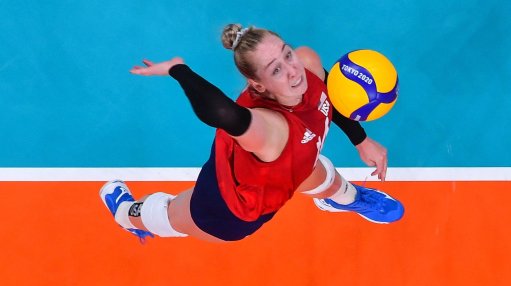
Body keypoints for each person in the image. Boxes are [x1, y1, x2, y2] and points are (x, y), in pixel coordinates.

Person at [100, 24, 404, 243]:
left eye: (287, 55)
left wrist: (361, 140)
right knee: (169, 216)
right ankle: (125, 214)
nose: (292, 70)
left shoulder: (307, 62)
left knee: (315, 169)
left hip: (294, 163)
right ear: (257, 85)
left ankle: (343, 198)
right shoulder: (270, 131)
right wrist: (178, 70)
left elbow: (331, 97)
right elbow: (220, 113)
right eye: (275, 70)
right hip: (229, 207)